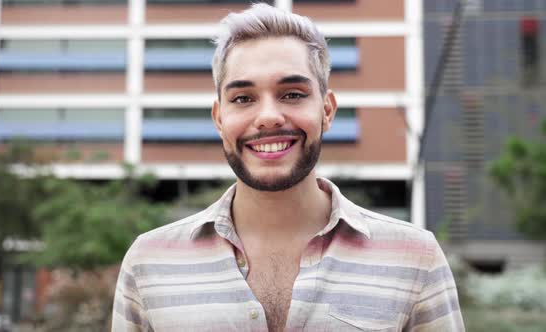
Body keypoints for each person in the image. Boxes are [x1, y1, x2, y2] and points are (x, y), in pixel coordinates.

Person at [112, 3, 464, 331]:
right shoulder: (148, 262)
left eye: (292, 94)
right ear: (220, 118)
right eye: (243, 98)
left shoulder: (416, 258)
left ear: (326, 110)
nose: (267, 117)